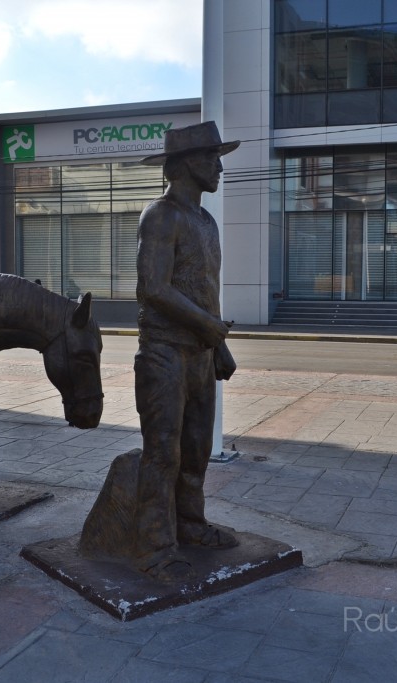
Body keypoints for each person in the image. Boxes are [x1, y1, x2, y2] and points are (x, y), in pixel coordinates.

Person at [131, 121, 241, 583]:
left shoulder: (206, 222)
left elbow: (204, 290)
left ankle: (191, 524)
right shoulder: (161, 216)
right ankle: (155, 546)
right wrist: (208, 328)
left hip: (199, 354)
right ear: (186, 163)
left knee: (196, 450)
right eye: (212, 158)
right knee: (163, 452)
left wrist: (218, 345)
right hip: (164, 353)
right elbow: (153, 288)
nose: (219, 167)